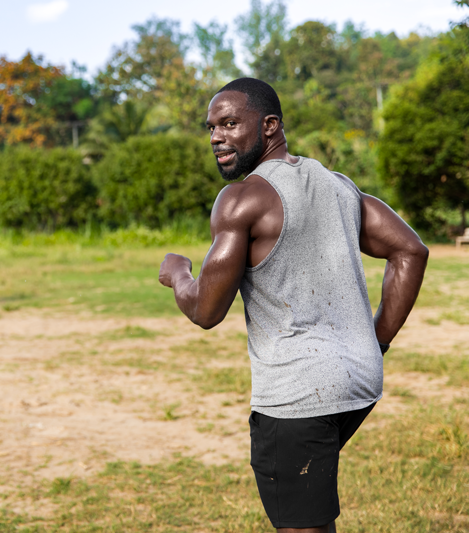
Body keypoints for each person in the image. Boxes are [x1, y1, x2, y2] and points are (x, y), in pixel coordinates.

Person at [158, 78, 428, 533]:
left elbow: (205, 310)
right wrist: (374, 342)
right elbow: (410, 250)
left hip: (297, 397)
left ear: (269, 125)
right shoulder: (339, 186)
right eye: (211, 127)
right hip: (358, 385)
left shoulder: (241, 199)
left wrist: (178, 273)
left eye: (229, 124)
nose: (216, 137)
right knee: (310, 516)